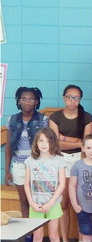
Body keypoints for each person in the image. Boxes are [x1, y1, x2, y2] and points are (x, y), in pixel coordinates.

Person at [49, 85, 92, 242]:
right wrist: (76, 141)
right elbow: (55, 143)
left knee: (81, 203)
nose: (72, 101)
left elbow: (87, 144)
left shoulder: (87, 117)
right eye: (69, 97)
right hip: (61, 159)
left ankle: (83, 241)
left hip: (81, 159)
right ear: (63, 98)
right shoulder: (55, 117)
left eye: (76, 98)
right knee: (64, 203)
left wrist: (65, 139)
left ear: (80, 99)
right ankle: (65, 241)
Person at [24, 128, 67, 242]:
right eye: (41, 140)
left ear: (53, 143)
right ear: (36, 142)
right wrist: (32, 203)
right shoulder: (30, 160)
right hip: (35, 204)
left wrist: (50, 203)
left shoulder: (59, 160)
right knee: (37, 235)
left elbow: (62, 183)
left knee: (54, 235)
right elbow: (27, 184)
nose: (44, 144)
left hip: (53, 204)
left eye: (48, 141)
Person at [5, 87, 49, 219]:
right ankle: (28, 237)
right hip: (19, 166)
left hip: (38, 166)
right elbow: (8, 147)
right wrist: (7, 170)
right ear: (19, 101)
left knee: (38, 201)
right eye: (23, 99)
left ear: (36, 101)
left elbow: (49, 145)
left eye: (31, 99)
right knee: (24, 202)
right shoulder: (12, 120)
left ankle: (37, 235)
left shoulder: (43, 120)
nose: (27, 102)